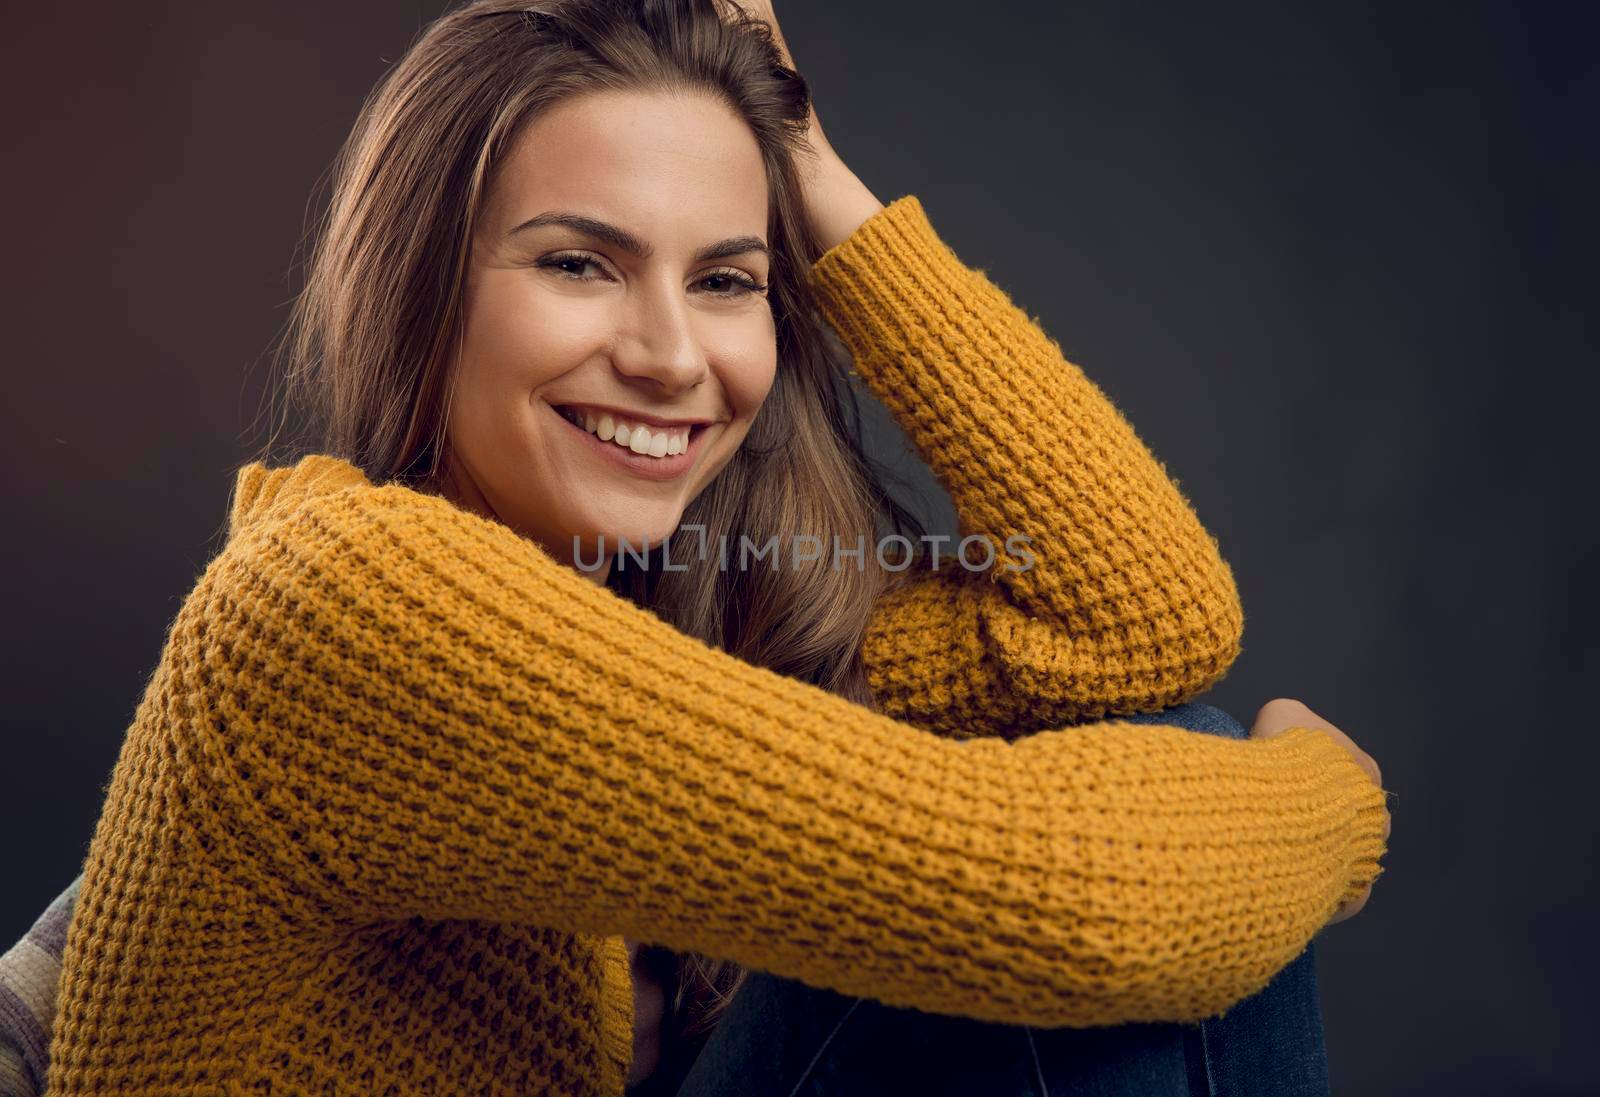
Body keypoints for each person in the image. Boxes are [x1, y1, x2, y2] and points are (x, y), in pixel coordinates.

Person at [9, 1, 1391, 1095]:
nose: (673, 356)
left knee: (1185, 756)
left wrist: (808, 167)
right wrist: (1326, 798)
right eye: (579, 263)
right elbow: (1072, 897)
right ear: (423, 297)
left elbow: (1136, 620)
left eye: (727, 279)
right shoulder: (340, 606)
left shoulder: (691, 614)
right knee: (1199, 809)